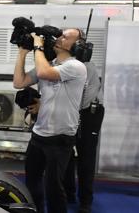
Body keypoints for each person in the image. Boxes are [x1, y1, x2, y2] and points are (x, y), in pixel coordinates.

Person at [13, 29, 87, 213]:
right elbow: (19, 82)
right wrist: (22, 52)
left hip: (60, 138)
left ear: (76, 45)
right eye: (60, 35)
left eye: (65, 37)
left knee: (53, 188)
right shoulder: (48, 63)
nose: (59, 38)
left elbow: (44, 72)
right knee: (32, 182)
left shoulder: (76, 67)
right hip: (39, 134)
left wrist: (38, 45)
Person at [63, 61, 104, 213]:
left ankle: (85, 201)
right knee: (65, 152)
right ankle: (69, 193)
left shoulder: (88, 66)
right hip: (70, 109)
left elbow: (85, 98)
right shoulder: (59, 63)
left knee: (86, 157)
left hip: (89, 111)